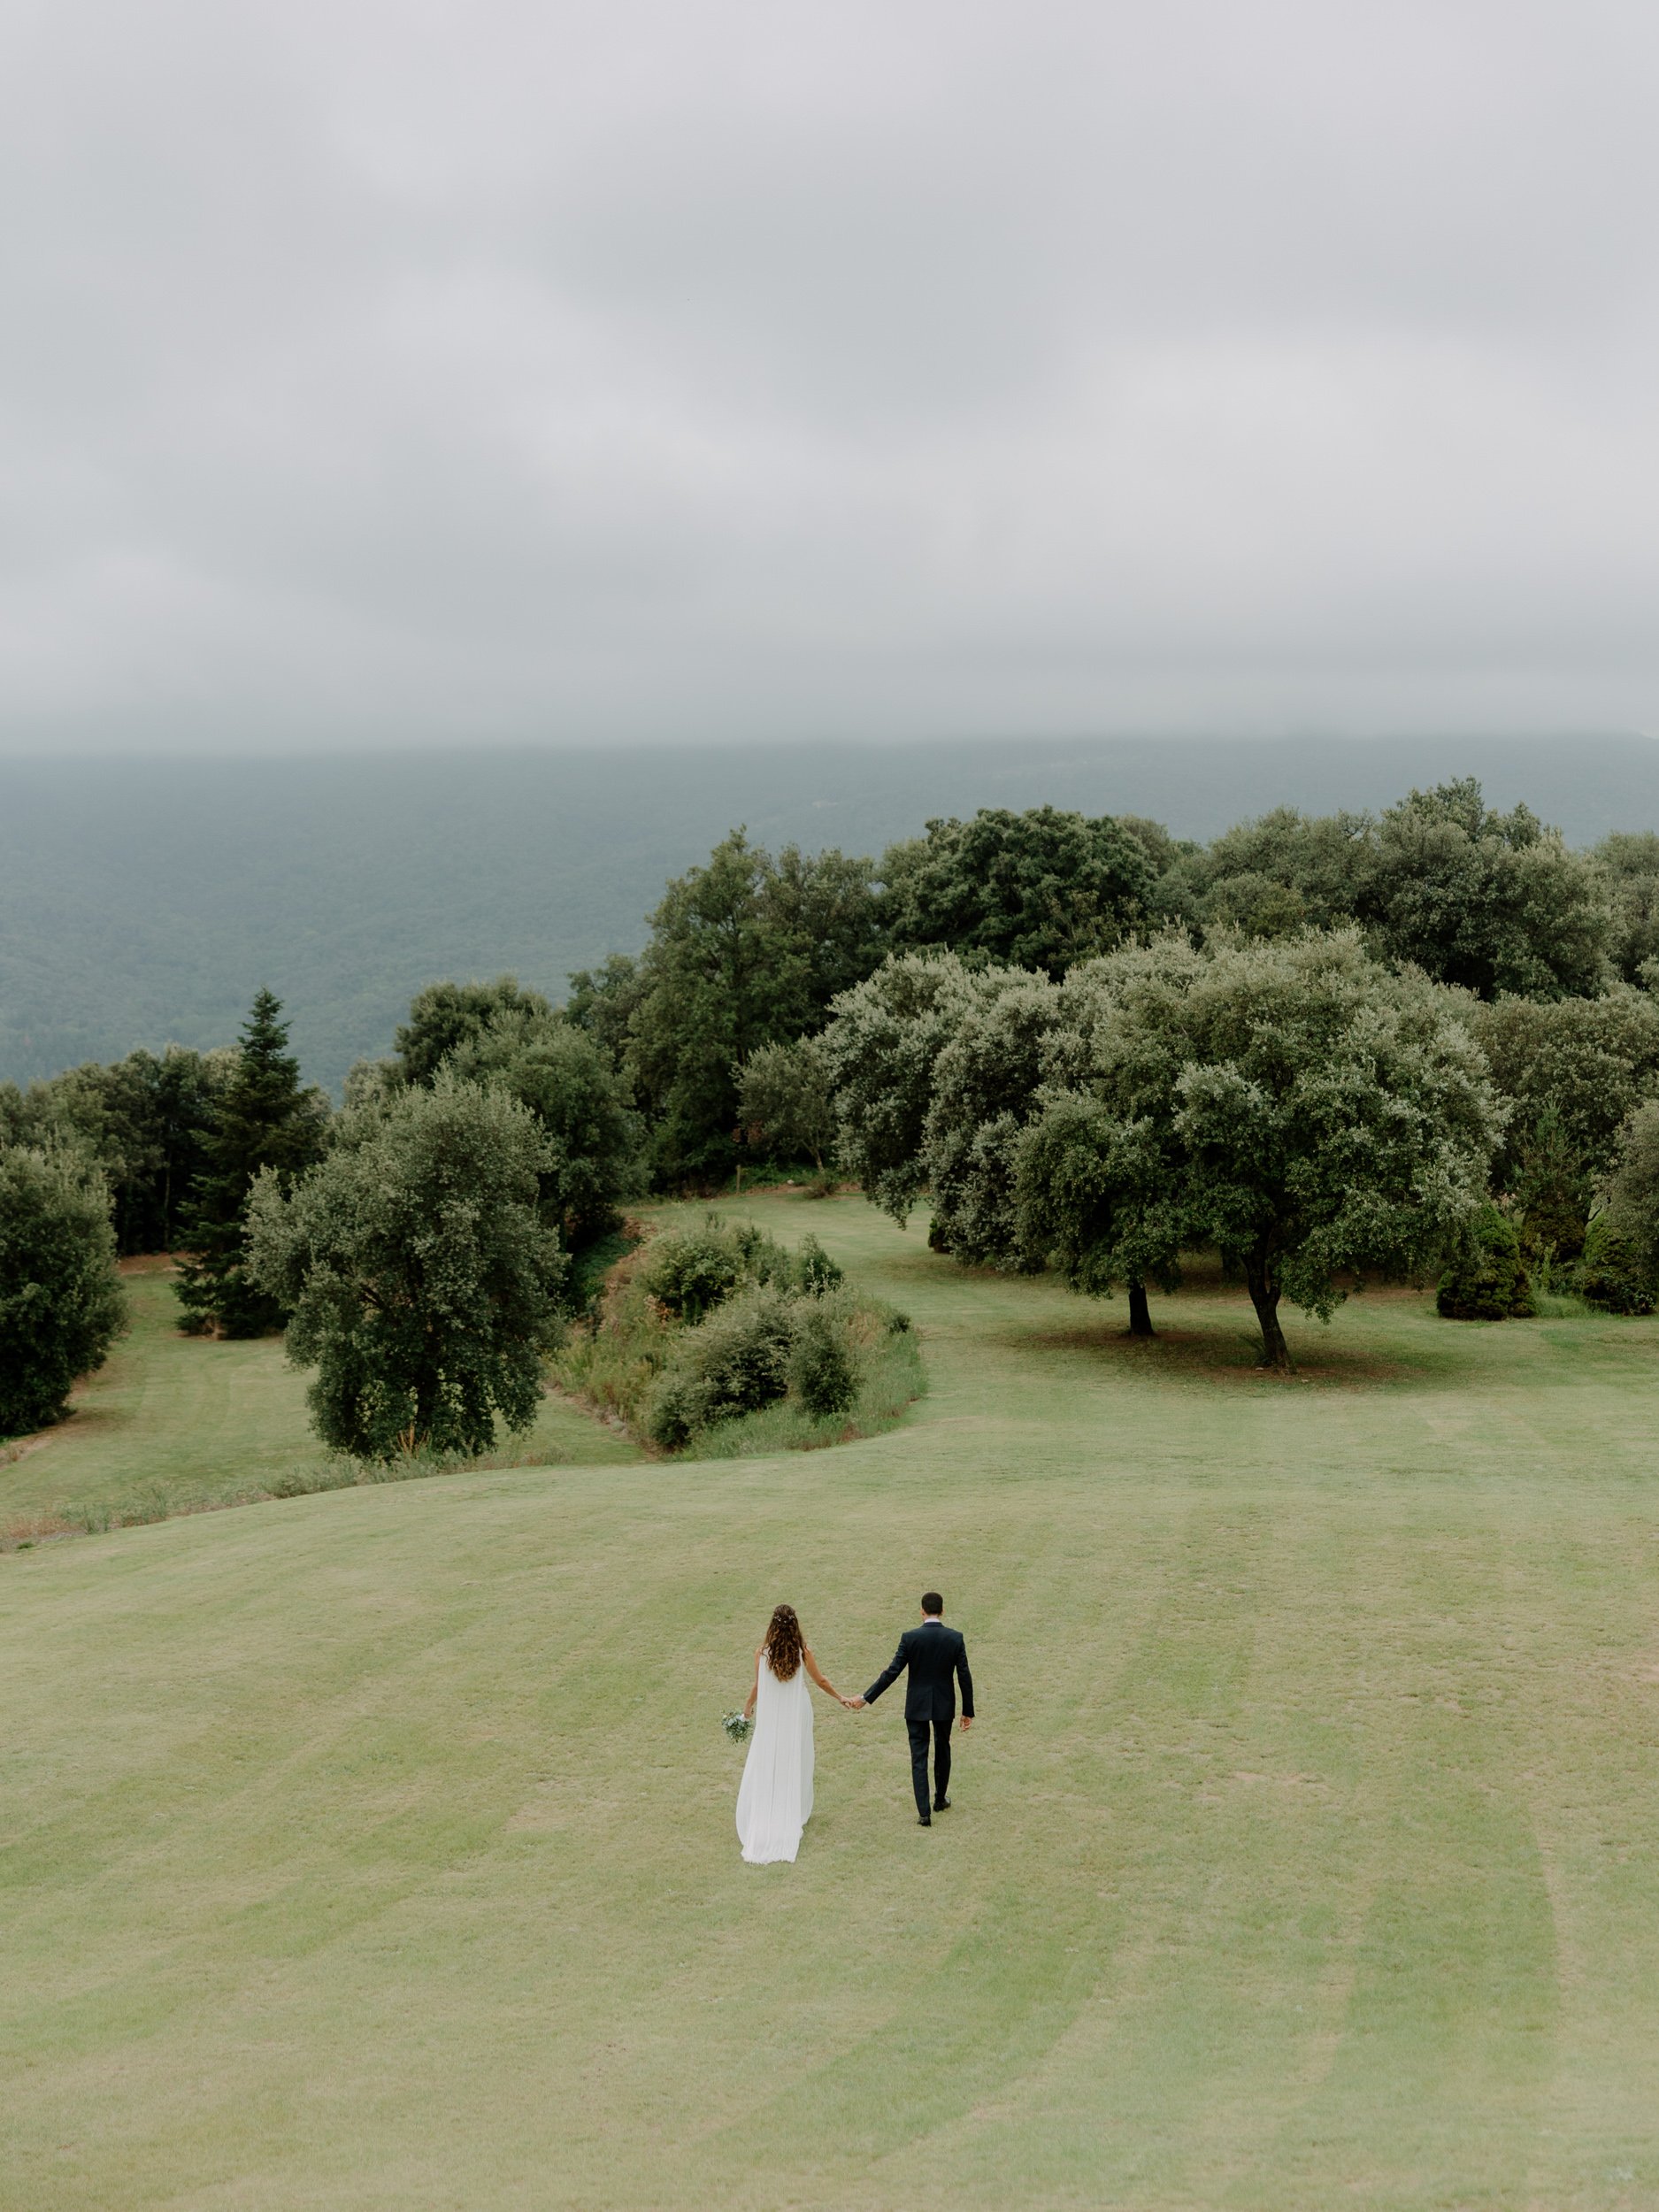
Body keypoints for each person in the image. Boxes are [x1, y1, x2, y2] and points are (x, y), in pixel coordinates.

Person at [735, 1602, 855, 1864]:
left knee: (769, 1756)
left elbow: (758, 1686)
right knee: (797, 1756)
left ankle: (769, 1809)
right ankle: (792, 1808)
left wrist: (747, 1708)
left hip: (770, 1715)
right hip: (796, 1713)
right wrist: (840, 1697)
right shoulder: (803, 1654)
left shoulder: (761, 1654)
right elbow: (821, 1681)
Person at [849, 1591, 974, 1825]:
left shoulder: (910, 1638)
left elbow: (891, 1673)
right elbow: (964, 1676)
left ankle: (924, 1813)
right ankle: (939, 1799)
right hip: (944, 1703)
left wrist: (866, 1698)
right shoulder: (955, 1638)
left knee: (919, 1756)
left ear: (922, 1611)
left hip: (916, 1704)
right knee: (943, 1749)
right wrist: (967, 1710)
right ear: (943, 1611)